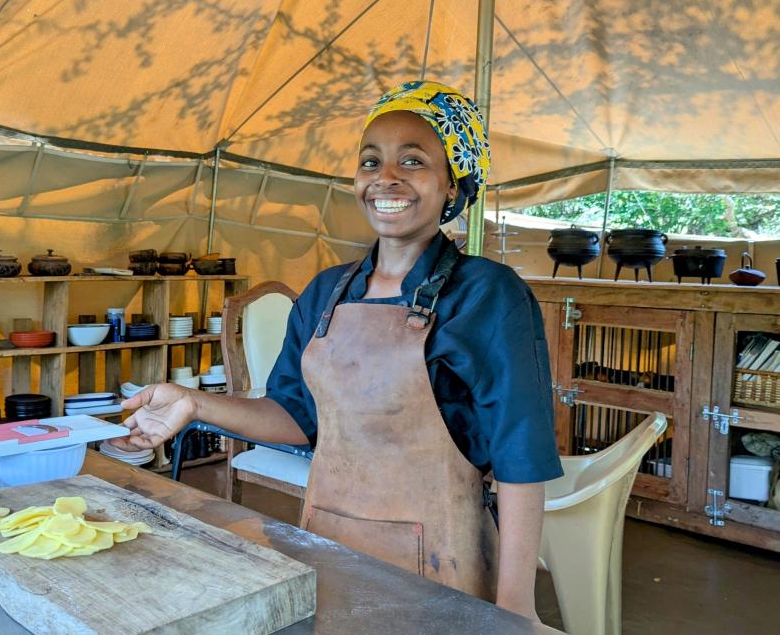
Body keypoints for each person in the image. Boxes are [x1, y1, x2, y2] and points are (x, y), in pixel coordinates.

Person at [112, 81, 562, 620]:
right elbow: (294, 416)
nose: (385, 177)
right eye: (370, 161)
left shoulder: (488, 295)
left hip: (444, 565)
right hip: (326, 547)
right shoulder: (325, 293)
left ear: (452, 185)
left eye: (413, 161)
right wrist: (194, 404)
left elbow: (520, 458)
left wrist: (515, 606)